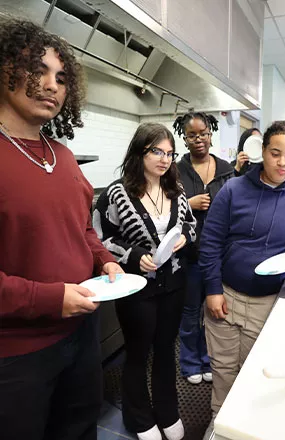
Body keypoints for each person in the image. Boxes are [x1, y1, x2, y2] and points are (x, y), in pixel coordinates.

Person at [0, 18, 123, 440]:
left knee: (79, 429)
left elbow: (82, 229)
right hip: (15, 353)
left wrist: (105, 260)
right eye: (38, 69)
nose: (52, 84)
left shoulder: (64, 156)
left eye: (61, 76)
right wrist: (51, 298)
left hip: (81, 332)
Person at [199, 121, 285, 417]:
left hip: (271, 303)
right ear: (263, 152)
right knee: (223, 368)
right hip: (226, 298)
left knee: (256, 371)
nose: (282, 162)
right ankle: (219, 423)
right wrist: (213, 289)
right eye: (275, 153)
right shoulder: (233, 189)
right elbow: (211, 243)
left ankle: (247, 423)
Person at [93, 123, 196, 440]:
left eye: (169, 153)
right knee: (137, 352)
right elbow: (100, 238)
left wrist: (183, 240)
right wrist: (134, 254)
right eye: (157, 151)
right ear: (140, 152)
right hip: (137, 289)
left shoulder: (177, 192)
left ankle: (167, 412)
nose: (165, 159)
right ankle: (138, 417)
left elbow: (191, 227)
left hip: (174, 285)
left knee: (166, 350)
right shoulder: (116, 193)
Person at [173, 112, 234, 385]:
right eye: (192, 135)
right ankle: (189, 363)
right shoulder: (175, 170)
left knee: (215, 312)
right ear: (184, 139)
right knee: (188, 313)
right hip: (188, 255)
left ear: (211, 134)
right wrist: (189, 203)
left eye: (204, 133)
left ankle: (210, 360)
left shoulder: (226, 169)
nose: (199, 139)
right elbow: (161, 207)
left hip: (219, 257)